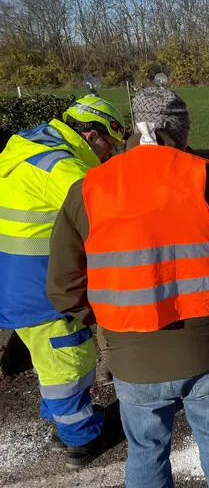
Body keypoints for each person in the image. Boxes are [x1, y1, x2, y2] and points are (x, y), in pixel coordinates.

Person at [46, 84, 209, 487]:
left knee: (147, 452)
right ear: (179, 132)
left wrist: (107, 322)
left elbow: (63, 287)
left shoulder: (89, 188)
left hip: (132, 357)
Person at [0, 95, 125, 467]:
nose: (110, 154)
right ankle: (80, 438)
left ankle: (63, 418)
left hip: (16, 283)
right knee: (68, 363)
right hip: (43, 291)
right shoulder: (63, 169)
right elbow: (110, 216)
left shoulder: (30, 146)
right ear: (90, 134)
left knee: (51, 360)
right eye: (110, 145)